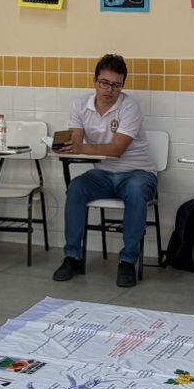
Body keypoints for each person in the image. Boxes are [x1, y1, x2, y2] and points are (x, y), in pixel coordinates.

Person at [51, 54, 158, 289]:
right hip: (104, 174)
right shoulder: (80, 105)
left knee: (136, 192)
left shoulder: (129, 107)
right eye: (104, 83)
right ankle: (72, 257)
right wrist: (64, 147)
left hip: (138, 172)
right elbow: (76, 142)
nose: (109, 90)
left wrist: (80, 147)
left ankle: (127, 261)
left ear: (123, 86)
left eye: (116, 85)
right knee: (76, 188)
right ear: (95, 81)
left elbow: (117, 150)